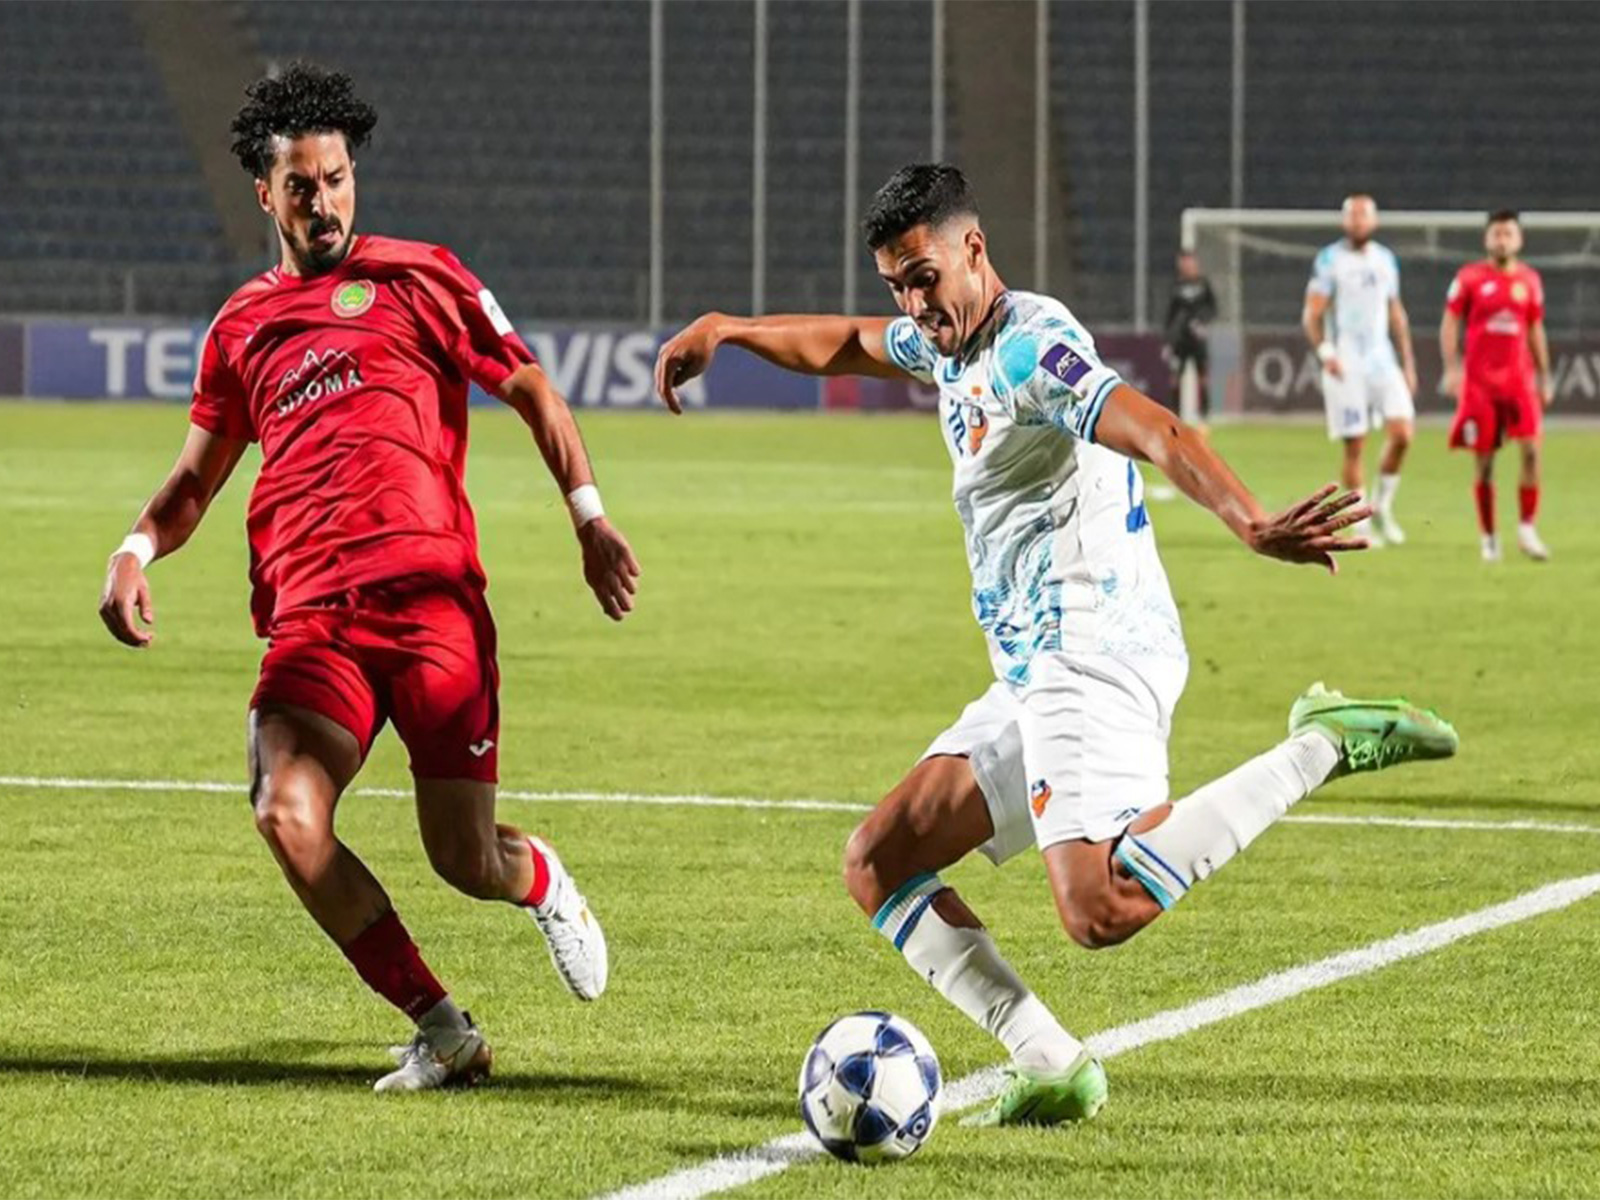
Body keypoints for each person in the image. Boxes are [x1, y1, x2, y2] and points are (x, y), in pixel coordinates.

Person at [655, 165, 1458, 1128]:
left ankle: (1322, 742)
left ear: (974, 249)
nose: (914, 304)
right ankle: (1049, 1060)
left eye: (923, 278)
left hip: (1092, 646)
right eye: (897, 285)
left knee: (1099, 907)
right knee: (879, 859)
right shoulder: (946, 340)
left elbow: (1155, 428)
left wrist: (1248, 521)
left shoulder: (1031, 349)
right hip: (1033, 667)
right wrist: (729, 329)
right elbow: (848, 342)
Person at [96, 64, 638, 1092]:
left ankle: (538, 877)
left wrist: (590, 518)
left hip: (431, 607)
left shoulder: (421, 276)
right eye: (301, 186)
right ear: (266, 193)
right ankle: (444, 1030)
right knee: (285, 810)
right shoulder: (241, 327)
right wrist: (134, 549)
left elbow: (529, 385)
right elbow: (195, 481)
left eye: (337, 179)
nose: (324, 203)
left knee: (464, 860)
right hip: (313, 620)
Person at [1301, 194, 1419, 545]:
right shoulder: (1330, 260)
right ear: (1344, 221)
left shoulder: (1385, 260)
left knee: (1403, 434)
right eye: (1352, 215)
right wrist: (1326, 353)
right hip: (1346, 363)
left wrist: (1408, 362)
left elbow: (1396, 311)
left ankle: (1382, 506)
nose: (1358, 221)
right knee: (1355, 445)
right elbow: (1312, 313)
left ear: (1374, 220)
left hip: (1382, 360)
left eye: (1363, 215)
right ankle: (1361, 523)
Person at [1441, 210, 1554, 562]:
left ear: (1519, 239)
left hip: (1519, 383)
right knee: (1486, 462)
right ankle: (1489, 537)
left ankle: (1527, 530)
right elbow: (1450, 323)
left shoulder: (1530, 280)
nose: (1502, 240)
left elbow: (1535, 328)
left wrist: (1545, 374)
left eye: (1508, 234)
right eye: (1497, 234)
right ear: (1486, 239)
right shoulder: (1469, 278)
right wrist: (1452, 368)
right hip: (1480, 386)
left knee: (1532, 452)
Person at [1163, 250, 1217, 425]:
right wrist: (1168, 342)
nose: (1187, 266)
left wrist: (1203, 323)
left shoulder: (1203, 284)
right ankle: (1174, 414)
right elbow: (1169, 315)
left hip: (1198, 340)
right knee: (1175, 378)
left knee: (1203, 376)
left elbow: (1212, 308)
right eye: (1184, 262)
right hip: (1179, 341)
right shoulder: (1175, 285)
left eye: (1190, 262)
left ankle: (1204, 414)